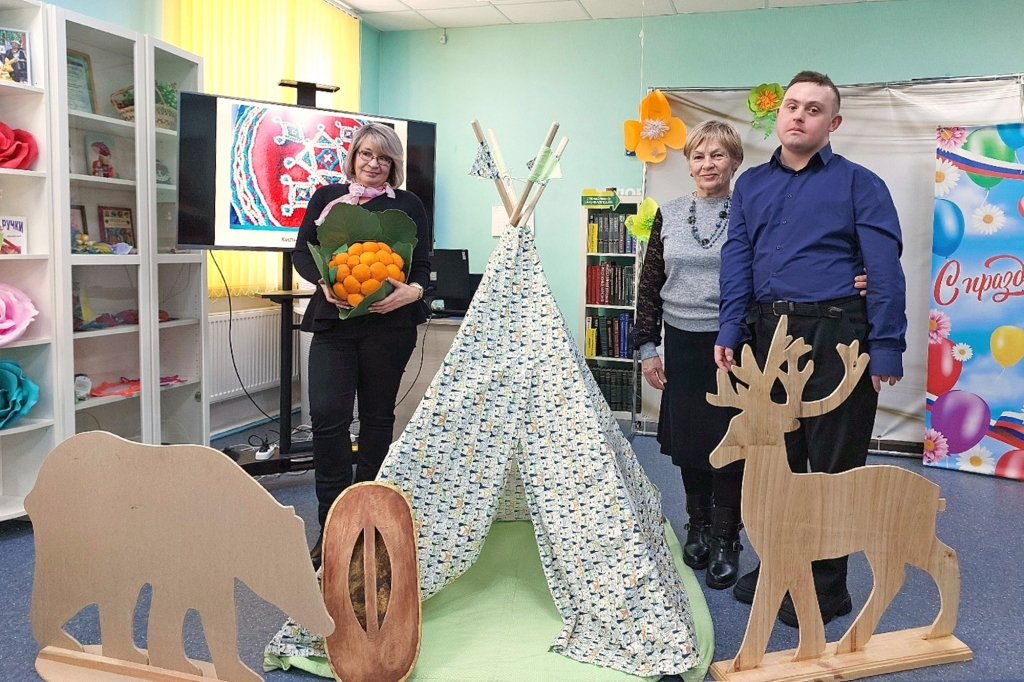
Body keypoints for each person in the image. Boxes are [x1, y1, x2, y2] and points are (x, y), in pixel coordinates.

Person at [635, 120, 869, 591]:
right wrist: (647, 347)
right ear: (688, 164)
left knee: (733, 441)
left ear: (735, 162)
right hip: (682, 342)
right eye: (699, 156)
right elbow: (650, 283)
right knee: (690, 442)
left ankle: (727, 536)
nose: (707, 164)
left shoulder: (752, 210)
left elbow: (788, 263)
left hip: (738, 344)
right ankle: (698, 524)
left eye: (718, 155)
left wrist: (855, 276)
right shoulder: (669, 214)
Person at [715, 71, 907, 627]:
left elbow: (883, 268)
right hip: (768, 335)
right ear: (778, 116)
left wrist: (887, 344)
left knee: (831, 465)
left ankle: (826, 587)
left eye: (814, 109)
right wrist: (730, 329)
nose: (799, 115)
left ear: (833, 123)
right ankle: (782, 564)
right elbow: (738, 259)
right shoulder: (751, 185)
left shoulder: (860, 184)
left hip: (836, 334)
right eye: (792, 106)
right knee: (779, 461)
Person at [293, 123, 430, 568]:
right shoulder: (326, 198)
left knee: (376, 419)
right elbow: (302, 252)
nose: (374, 164)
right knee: (327, 420)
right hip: (334, 325)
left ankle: (368, 524)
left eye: (384, 158)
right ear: (353, 157)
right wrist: (322, 282)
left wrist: (413, 292)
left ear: (394, 165)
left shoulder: (408, 204)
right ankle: (333, 526)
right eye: (367, 154)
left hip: (388, 329)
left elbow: (422, 265)